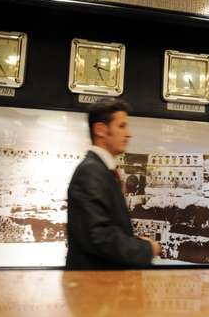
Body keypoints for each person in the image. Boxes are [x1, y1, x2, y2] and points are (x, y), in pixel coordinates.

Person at [66, 99, 161, 269]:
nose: (128, 134)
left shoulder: (101, 170)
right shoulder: (91, 172)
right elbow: (99, 237)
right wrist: (146, 249)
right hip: (94, 286)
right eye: (122, 126)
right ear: (101, 130)